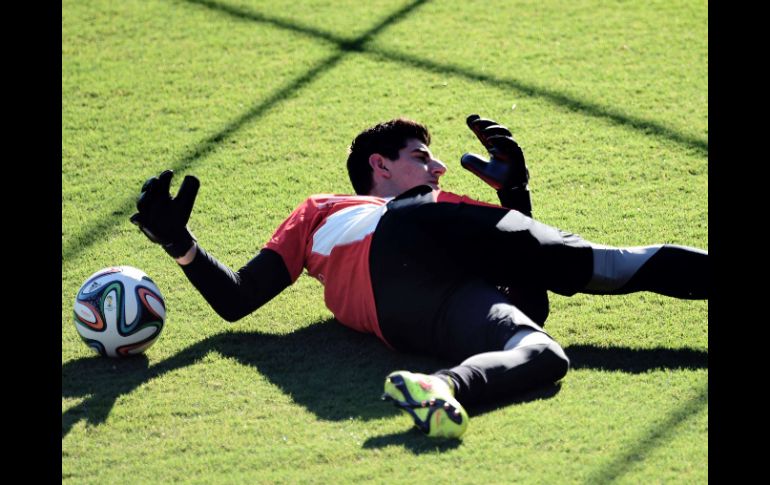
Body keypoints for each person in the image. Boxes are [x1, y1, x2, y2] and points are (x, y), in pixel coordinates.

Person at [130, 115, 708, 439]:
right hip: (411, 247)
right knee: (606, 266)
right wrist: (182, 244)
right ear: (379, 166)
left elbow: (528, 297)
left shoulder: (433, 208)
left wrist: (515, 195)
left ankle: (442, 388)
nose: (436, 167)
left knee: (543, 352)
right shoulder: (331, 207)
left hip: (413, 315)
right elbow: (237, 298)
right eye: (420, 155)